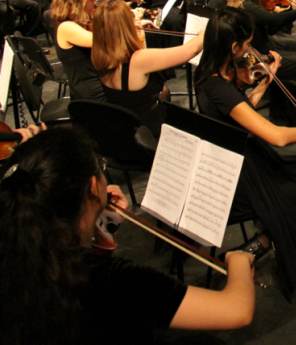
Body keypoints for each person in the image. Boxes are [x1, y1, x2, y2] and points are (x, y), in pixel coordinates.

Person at [0, 127, 255, 344]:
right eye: (101, 166)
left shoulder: (15, 242)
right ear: (92, 185)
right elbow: (236, 310)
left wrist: (105, 223)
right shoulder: (117, 283)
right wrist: (239, 260)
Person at [194, 7, 296, 297]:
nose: (250, 52)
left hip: (233, 154)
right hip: (240, 168)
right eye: (246, 45)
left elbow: (239, 113)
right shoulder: (220, 86)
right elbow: (277, 136)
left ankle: (264, 241)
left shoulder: (205, 73)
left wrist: (268, 79)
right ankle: (258, 246)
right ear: (233, 47)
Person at [91, 0, 204, 136]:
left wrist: (138, 30)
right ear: (125, 26)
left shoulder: (99, 56)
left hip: (124, 127)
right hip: (148, 131)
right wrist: (204, 34)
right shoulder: (139, 60)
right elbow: (190, 50)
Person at [50, 0, 106, 101]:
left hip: (98, 86)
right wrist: (125, 24)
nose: (95, 3)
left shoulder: (79, 22)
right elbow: (103, 40)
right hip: (92, 96)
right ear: (80, 0)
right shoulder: (66, 27)